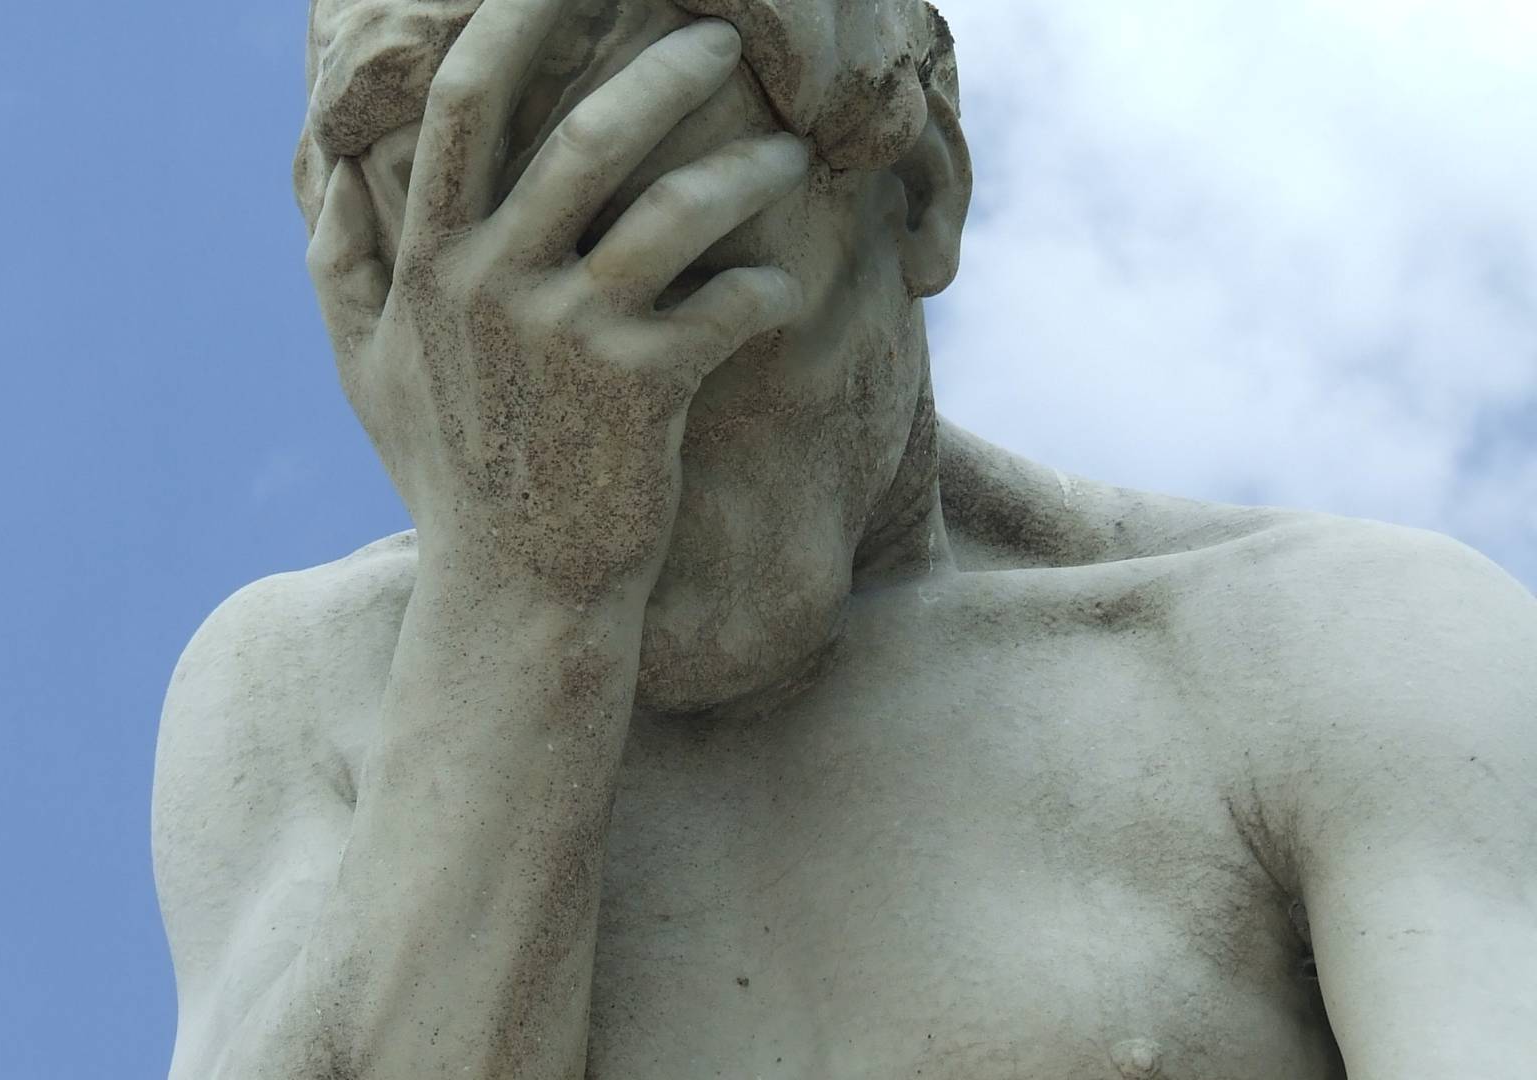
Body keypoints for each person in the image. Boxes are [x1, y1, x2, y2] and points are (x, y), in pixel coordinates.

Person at [152, 0, 1537, 1075]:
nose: (617, 457)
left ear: (918, 195)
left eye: (688, 292)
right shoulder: (309, 688)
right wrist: (526, 590)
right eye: (512, 368)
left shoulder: (1323, 653)